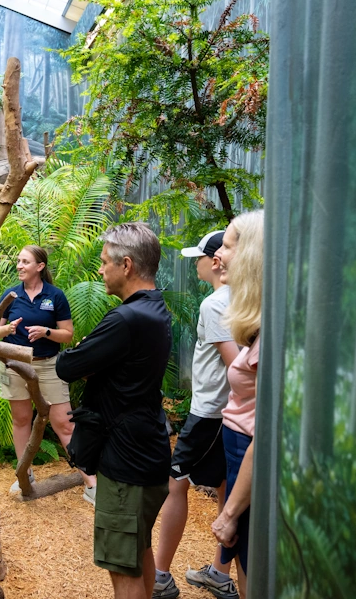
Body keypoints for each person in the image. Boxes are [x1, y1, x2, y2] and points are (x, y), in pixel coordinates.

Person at [56, 223, 172, 599]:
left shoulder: (125, 319)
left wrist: (88, 357)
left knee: (122, 567)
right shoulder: (156, 309)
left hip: (126, 466)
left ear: (126, 265)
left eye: (105, 262)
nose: (100, 270)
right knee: (138, 550)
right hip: (148, 451)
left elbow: (68, 366)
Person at [153, 231, 241, 599]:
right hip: (228, 413)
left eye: (201, 257)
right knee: (224, 486)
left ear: (216, 261)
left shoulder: (216, 304)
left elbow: (236, 364)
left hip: (210, 413)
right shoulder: (240, 298)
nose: (198, 263)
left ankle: (159, 576)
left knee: (176, 486)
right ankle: (220, 572)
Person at [0, 245, 96, 500]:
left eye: (25, 262)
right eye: (18, 261)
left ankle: (91, 483)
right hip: (15, 364)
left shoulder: (55, 296)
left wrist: (46, 332)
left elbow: (68, 334)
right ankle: (24, 475)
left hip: (48, 365)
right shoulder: (10, 296)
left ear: (39, 267)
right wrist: (6, 331)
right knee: (21, 420)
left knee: (63, 423)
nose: (19, 265)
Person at [209, 211, 264, 599]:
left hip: (249, 459)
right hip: (238, 455)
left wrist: (229, 513)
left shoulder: (271, 333)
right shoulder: (258, 321)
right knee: (245, 562)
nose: (218, 256)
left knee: (252, 565)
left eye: (226, 246)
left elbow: (265, 435)